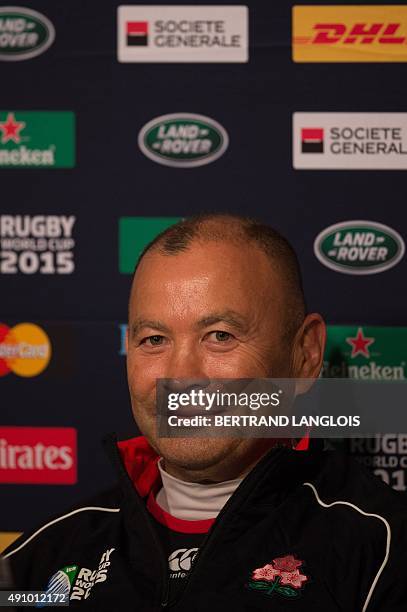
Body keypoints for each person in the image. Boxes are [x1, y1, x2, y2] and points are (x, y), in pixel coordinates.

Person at [2, 213, 407, 611]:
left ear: (305, 355)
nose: (181, 377)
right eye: (154, 339)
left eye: (220, 336)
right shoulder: (39, 561)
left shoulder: (382, 554)